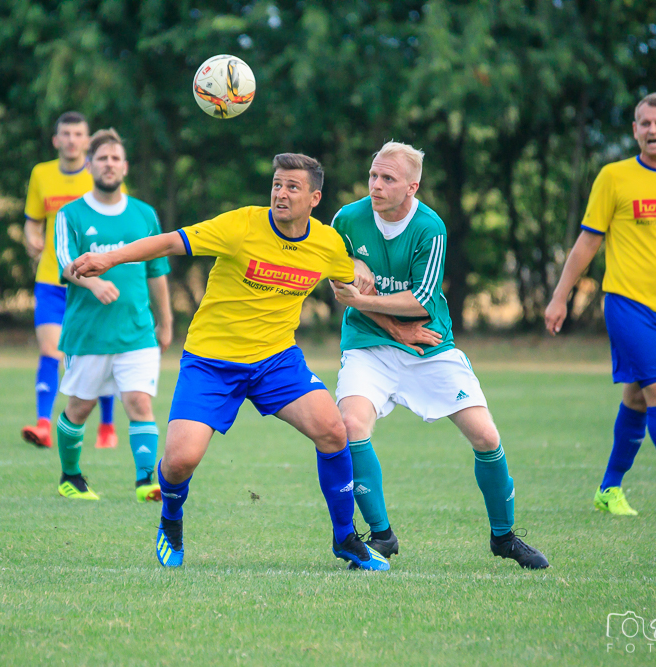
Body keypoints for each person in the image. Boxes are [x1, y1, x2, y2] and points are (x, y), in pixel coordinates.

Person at [69, 153, 390, 571]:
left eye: (292, 187)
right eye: (277, 184)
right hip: (211, 361)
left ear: (314, 198)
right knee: (180, 461)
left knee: (333, 431)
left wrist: (361, 272)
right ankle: (171, 520)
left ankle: (345, 537)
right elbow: (169, 242)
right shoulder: (241, 226)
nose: (281, 193)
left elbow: (349, 281)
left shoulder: (327, 243)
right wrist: (109, 259)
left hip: (276, 361)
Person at [329, 141, 550, 570]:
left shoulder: (430, 227)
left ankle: (504, 537)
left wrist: (366, 301)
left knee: (486, 437)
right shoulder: (347, 220)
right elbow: (337, 283)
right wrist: (379, 311)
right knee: (350, 425)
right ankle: (381, 536)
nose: (376, 185)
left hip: (428, 344)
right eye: (373, 175)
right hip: (368, 344)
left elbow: (420, 301)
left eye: (388, 178)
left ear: (412, 187)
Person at [544, 93, 656, 516]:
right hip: (627, 305)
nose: (653, 130)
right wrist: (560, 296)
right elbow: (587, 242)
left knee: (638, 398)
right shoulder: (614, 177)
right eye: (645, 123)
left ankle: (609, 489)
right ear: (634, 130)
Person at [52, 129, 173, 503]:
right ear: (89, 166)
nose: (109, 164)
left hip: (137, 330)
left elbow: (157, 271)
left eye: (115, 158)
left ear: (125, 167)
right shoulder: (70, 214)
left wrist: (166, 321)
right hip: (88, 333)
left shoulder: (144, 214)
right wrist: (93, 283)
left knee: (139, 402)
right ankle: (70, 477)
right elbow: (65, 263)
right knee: (80, 407)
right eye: (102, 158)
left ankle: (146, 482)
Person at [21, 111, 120, 450]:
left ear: (87, 140)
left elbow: (119, 218)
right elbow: (32, 220)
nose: (72, 140)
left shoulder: (102, 173)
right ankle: (43, 425)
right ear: (56, 140)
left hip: (92, 280)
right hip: (52, 279)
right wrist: (32, 237)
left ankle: (107, 426)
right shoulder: (41, 174)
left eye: (79, 134)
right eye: (66, 134)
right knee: (51, 350)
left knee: (99, 351)